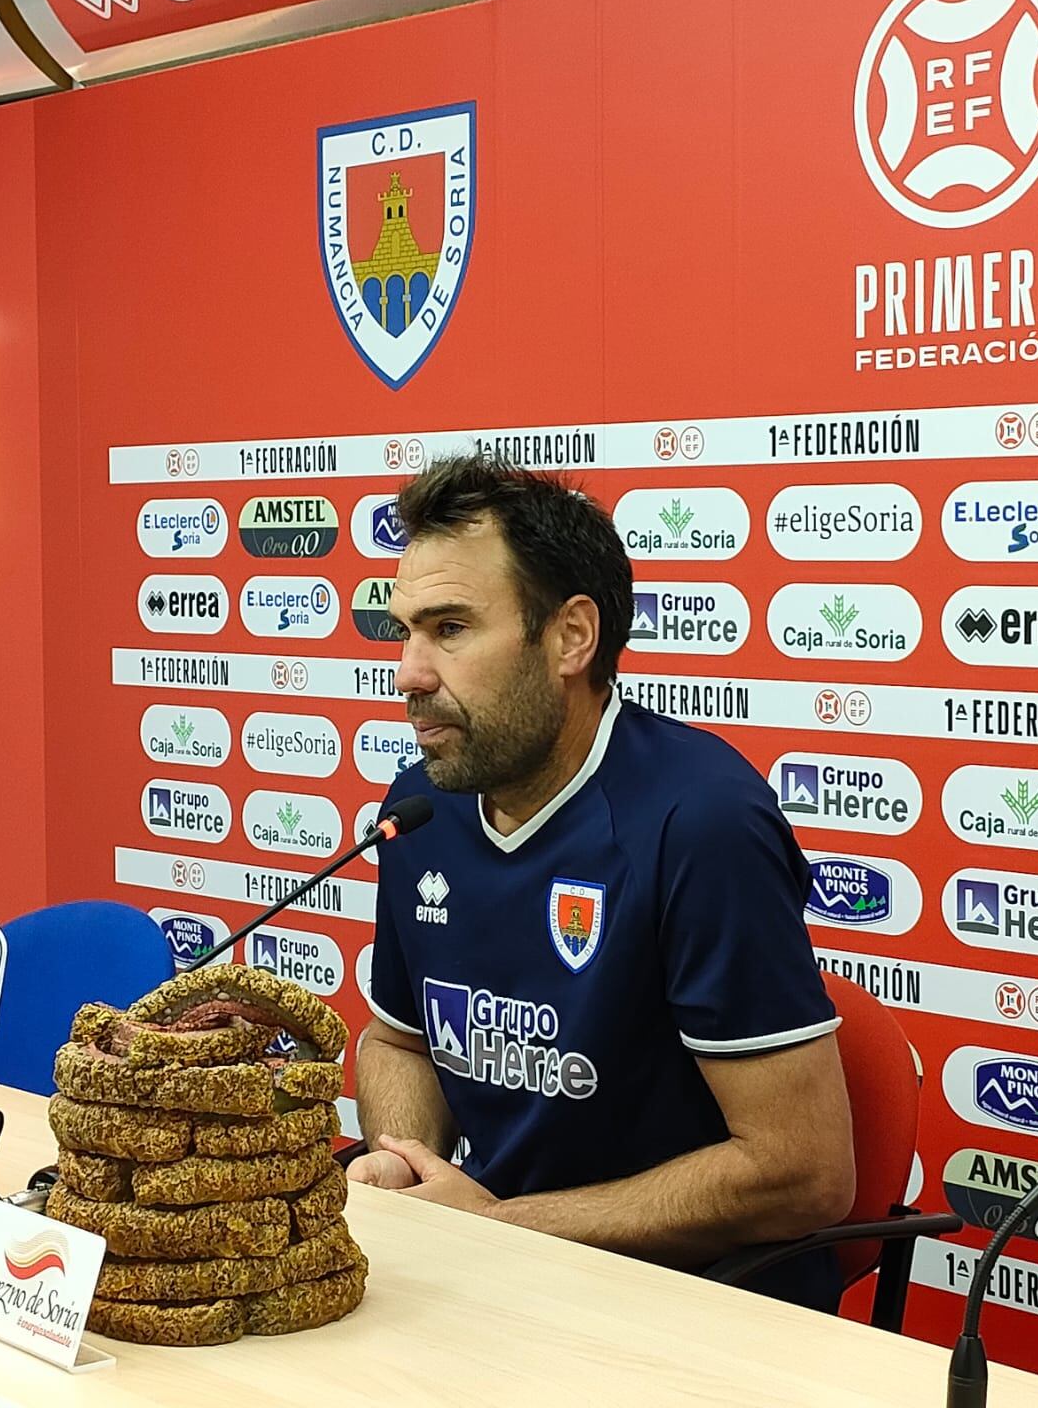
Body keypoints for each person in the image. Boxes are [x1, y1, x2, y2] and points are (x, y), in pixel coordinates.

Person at [350, 455, 855, 1308]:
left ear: (571, 638)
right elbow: (399, 1042)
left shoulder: (700, 821)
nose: (409, 672)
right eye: (405, 630)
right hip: (490, 1280)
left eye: (451, 628)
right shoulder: (422, 807)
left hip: (697, 1307)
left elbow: (803, 1174)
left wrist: (504, 1226)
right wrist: (404, 1159)